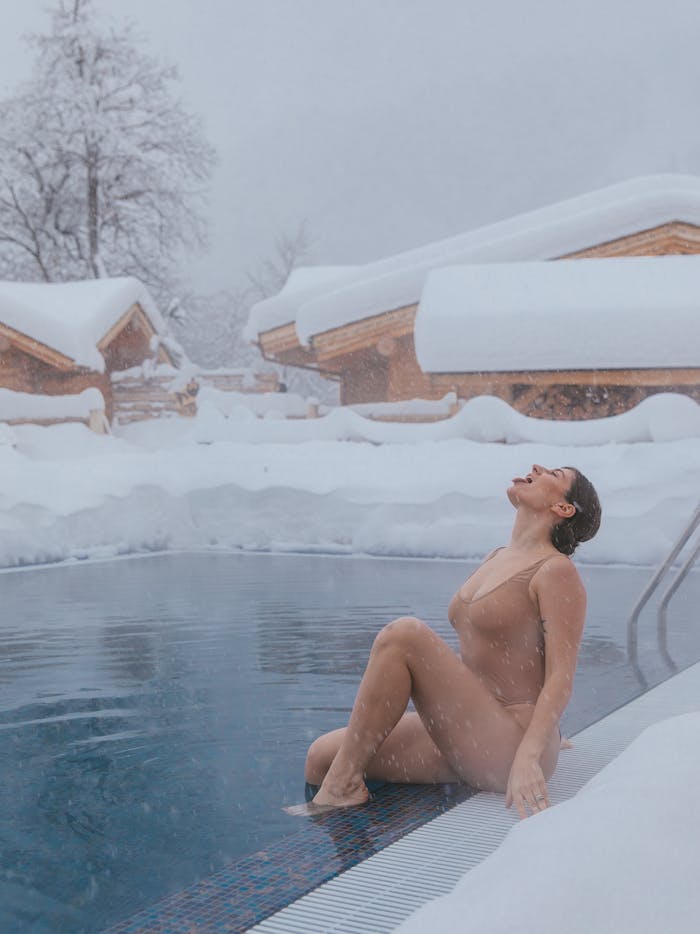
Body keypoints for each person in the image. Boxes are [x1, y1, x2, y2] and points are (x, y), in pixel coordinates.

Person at [301, 464, 601, 820]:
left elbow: (560, 676)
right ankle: (341, 778)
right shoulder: (497, 557)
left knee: (403, 636)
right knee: (320, 759)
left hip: (508, 743)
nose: (536, 468)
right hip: (466, 730)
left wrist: (530, 752)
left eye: (554, 473)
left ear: (564, 509)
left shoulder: (556, 571)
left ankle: (344, 788)